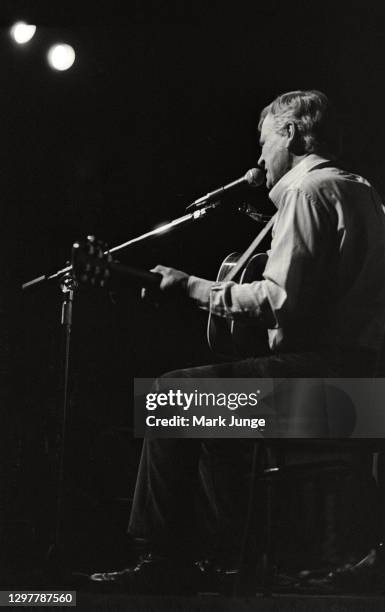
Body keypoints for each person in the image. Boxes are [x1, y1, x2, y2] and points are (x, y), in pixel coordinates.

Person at [91, 90, 385, 593]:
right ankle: (230, 558)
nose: (258, 157)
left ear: (290, 132)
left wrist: (190, 286)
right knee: (215, 413)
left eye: (264, 139)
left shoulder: (308, 191)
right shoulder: (358, 190)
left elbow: (278, 300)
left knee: (172, 399)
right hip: (362, 390)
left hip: (327, 390)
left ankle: (164, 560)